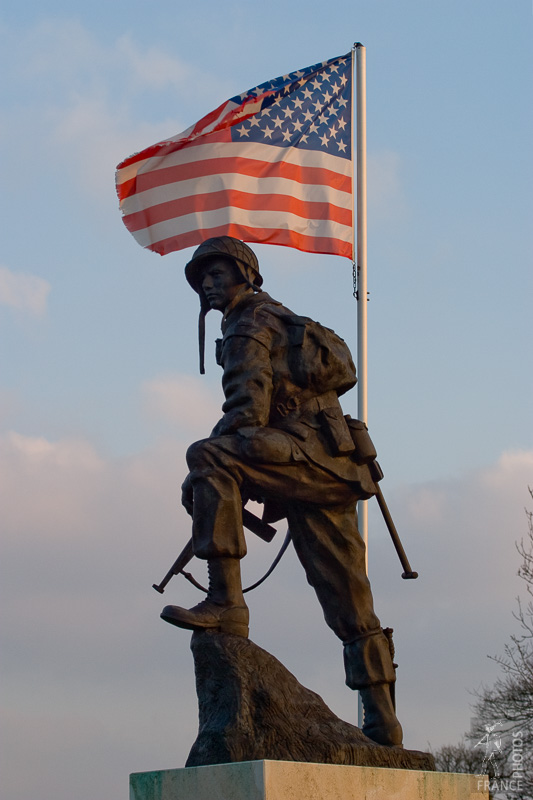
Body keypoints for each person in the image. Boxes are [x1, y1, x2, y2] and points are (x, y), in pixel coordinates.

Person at [161, 236, 402, 747]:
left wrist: (204, 478)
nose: (207, 283)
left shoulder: (249, 324)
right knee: (350, 599)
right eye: (202, 277)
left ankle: (226, 602)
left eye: (218, 273)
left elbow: (245, 410)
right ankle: (385, 722)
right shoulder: (282, 317)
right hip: (333, 463)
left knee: (207, 456)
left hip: (304, 454)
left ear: (246, 275)